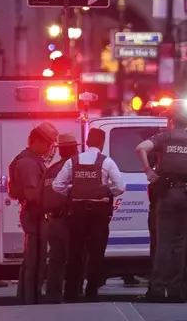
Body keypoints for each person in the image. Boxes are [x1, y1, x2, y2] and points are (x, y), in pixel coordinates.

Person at [135, 99, 187, 303]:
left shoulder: (163, 138)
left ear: (171, 119)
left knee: (164, 244)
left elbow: (140, 148)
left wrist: (148, 171)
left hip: (167, 196)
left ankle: (157, 291)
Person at [52, 128, 125, 302]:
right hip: (99, 213)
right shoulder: (107, 162)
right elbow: (120, 187)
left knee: (75, 253)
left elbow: (57, 185)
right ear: (102, 143)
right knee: (96, 253)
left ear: (86, 142)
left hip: (77, 213)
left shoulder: (72, 161)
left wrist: (72, 190)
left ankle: (70, 293)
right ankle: (91, 292)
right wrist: (106, 190)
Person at [9, 121, 58, 305]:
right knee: (34, 260)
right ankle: (31, 301)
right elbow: (32, 194)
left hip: (35, 215)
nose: (50, 148)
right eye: (48, 143)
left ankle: (29, 298)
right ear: (36, 141)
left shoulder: (32, 160)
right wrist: (54, 199)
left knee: (35, 259)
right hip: (35, 216)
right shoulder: (28, 163)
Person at [41, 132, 79, 304]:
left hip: (52, 221)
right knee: (74, 259)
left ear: (61, 150)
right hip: (69, 221)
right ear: (74, 149)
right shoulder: (74, 168)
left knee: (56, 261)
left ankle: (53, 297)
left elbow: (42, 197)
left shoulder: (51, 169)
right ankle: (73, 296)